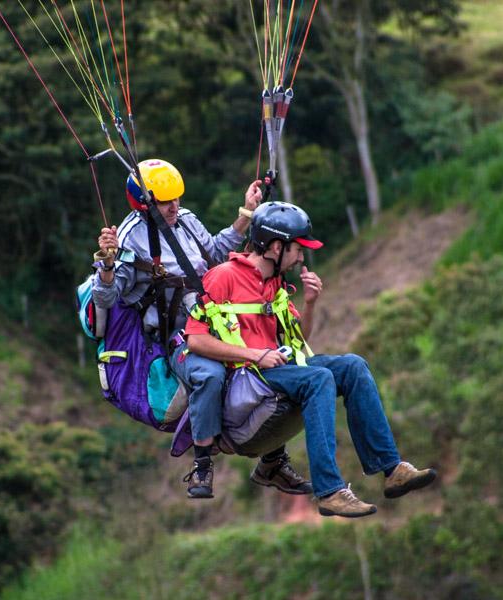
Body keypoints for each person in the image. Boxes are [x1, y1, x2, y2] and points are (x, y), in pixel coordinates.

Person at [184, 201, 437, 518]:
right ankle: (330, 491)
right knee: (320, 379)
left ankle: (391, 468)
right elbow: (195, 339)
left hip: (280, 369)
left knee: (353, 366)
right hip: (246, 381)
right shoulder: (223, 277)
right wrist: (254, 354)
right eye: (297, 249)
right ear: (276, 247)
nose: (302, 257)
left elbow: (300, 338)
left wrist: (311, 303)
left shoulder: (274, 282)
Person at [93, 159, 312, 499]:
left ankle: (273, 460)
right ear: (144, 202)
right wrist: (106, 264)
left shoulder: (187, 221)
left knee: (272, 359)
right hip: (178, 337)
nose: (174, 207)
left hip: (217, 321)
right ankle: (202, 464)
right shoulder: (128, 239)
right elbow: (107, 297)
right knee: (209, 375)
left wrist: (247, 214)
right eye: (166, 202)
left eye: (176, 199)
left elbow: (214, 253)